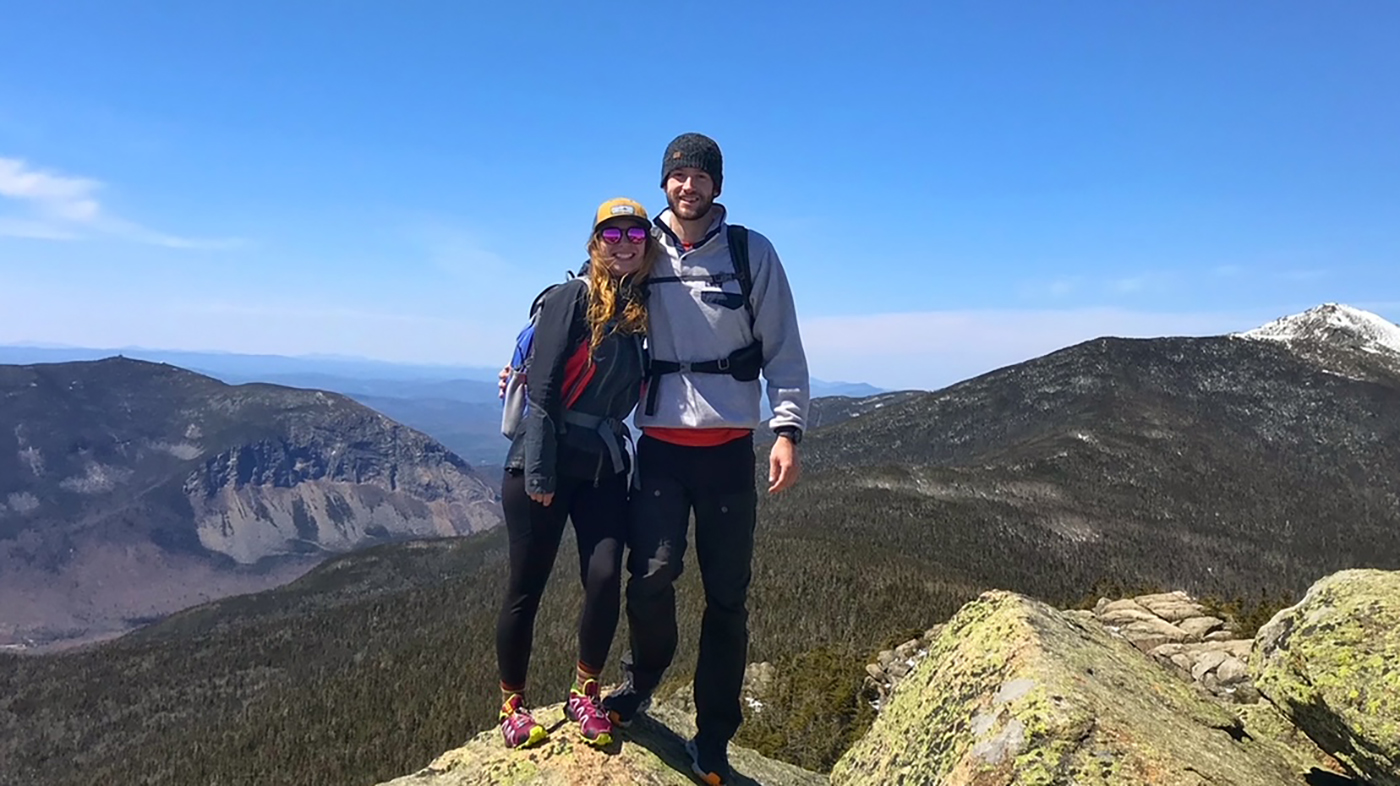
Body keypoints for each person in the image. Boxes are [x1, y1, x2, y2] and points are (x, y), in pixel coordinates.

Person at [602, 133, 810, 786]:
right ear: (664, 183)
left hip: (728, 455)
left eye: (699, 176)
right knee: (652, 576)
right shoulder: (642, 247)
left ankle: (713, 736)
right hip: (661, 448)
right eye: (677, 176)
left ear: (717, 185)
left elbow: (785, 351)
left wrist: (787, 431)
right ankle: (640, 683)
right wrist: (521, 364)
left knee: (727, 600)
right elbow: (587, 309)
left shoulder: (751, 253)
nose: (687, 186)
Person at [494, 197, 658, 750]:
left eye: (635, 234)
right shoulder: (573, 298)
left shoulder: (641, 313)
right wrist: (539, 472)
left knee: (606, 575)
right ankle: (512, 704)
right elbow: (541, 391)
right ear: (595, 243)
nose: (624, 244)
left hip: (603, 467)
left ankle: (584, 691)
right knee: (526, 587)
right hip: (545, 463)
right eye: (612, 235)